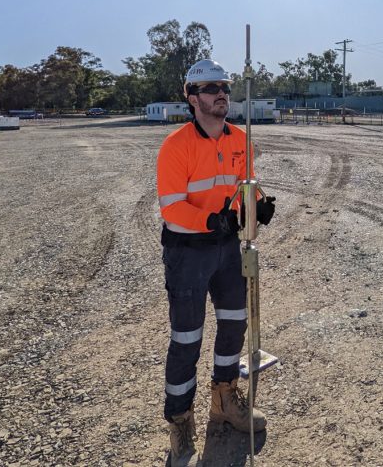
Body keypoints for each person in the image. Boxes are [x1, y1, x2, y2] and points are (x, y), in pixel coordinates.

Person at [155, 59, 276, 466]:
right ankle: (180, 422)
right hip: (187, 251)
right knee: (187, 338)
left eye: (223, 86)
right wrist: (210, 220)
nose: (220, 93)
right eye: (209, 88)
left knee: (234, 323)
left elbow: (244, 185)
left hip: (227, 248)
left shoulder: (241, 139)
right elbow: (172, 208)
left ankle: (224, 399)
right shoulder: (176, 146)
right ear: (192, 98)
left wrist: (258, 205)